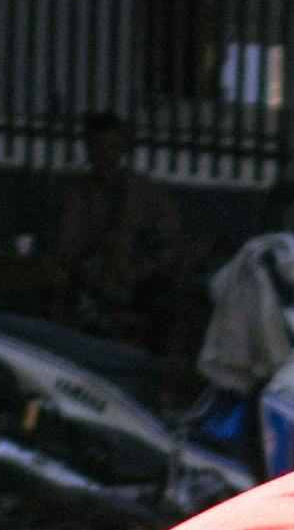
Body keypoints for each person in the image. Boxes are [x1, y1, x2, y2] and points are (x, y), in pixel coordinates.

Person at [49, 108, 190, 354]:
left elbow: (169, 245)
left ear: (123, 149)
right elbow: (67, 246)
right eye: (98, 148)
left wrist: (135, 272)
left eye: (112, 148)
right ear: (90, 152)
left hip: (138, 285)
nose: (106, 157)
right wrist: (92, 274)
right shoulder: (79, 194)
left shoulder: (148, 193)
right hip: (92, 287)